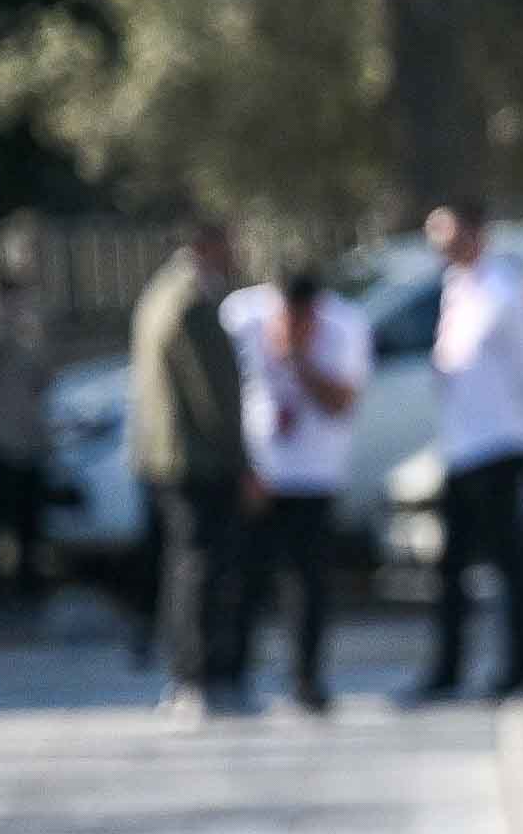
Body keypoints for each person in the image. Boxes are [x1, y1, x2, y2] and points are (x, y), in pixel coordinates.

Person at [415, 196, 523, 704]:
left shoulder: (504, 289)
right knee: (451, 568)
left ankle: (519, 668)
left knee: (510, 565)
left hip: (501, 445)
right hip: (460, 447)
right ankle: (447, 669)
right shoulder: (455, 289)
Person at [217, 252, 360, 712]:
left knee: (308, 583)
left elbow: (341, 403)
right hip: (259, 472)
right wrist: (242, 466)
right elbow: (221, 394)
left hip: (315, 474)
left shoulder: (343, 326)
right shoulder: (241, 317)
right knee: (245, 576)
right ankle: (232, 671)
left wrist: (299, 360)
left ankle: (306, 677)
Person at [123, 215, 252, 718]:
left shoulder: (160, 291)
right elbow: (212, 395)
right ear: (207, 245)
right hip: (198, 458)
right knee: (203, 568)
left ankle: (187, 672)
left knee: (183, 564)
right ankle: (199, 674)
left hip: (165, 455)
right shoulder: (193, 300)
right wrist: (241, 460)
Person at [0, 229, 61, 608]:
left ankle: (28, 584)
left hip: (30, 433)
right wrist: (4, 323)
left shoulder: (37, 320)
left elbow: (45, 372)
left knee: (29, 519)